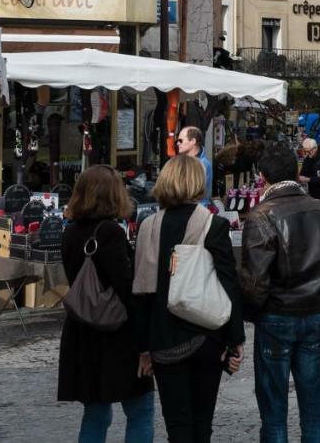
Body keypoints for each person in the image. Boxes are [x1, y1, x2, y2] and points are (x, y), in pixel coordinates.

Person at [241, 142, 320, 443]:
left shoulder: (262, 215)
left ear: (262, 177)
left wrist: (253, 312)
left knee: (274, 415)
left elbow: (255, 280)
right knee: (313, 411)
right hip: (312, 314)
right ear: (297, 171)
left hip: (277, 316)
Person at [133, 156, 246, 442]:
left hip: (164, 338)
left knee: (177, 426)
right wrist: (236, 339)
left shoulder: (148, 227)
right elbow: (227, 283)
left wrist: (143, 347)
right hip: (206, 336)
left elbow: (142, 293)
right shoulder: (214, 226)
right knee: (201, 423)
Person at [59, 166, 153, 443]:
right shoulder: (110, 233)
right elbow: (127, 289)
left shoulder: (70, 232)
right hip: (115, 336)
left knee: (96, 414)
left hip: (82, 332)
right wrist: (144, 342)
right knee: (140, 409)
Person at [176, 125, 214, 209]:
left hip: (195, 212)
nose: (177, 143)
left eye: (181, 140)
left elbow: (192, 193)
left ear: (192, 141)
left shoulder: (203, 164)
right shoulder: (180, 161)